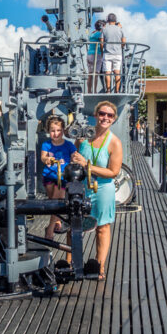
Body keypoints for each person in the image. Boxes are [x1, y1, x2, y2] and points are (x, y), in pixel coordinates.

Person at [71, 101, 123, 281]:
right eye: (102, 114)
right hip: (82, 187)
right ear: (95, 115)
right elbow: (76, 157)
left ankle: (99, 267)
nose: (105, 118)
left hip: (102, 189)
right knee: (76, 226)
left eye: (109, 115)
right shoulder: (83, 138)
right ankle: (72, 263)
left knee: (102, 228)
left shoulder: (114, 143)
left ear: (114, 119)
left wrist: (87, 165)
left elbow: (113, 172)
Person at [40, 116, 77, 240]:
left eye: (58, 130)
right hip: (49, 175)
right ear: (48, 131)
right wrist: (47, 159)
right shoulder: (46, 144)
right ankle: (57, 220)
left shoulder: (68, 145)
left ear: (63, 130)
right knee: (52, 201)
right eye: (52, 130)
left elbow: (75, 155)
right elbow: (43, 157)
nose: (56, 134)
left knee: (57, 199)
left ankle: (49, 229)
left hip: (63, 177)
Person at [100, 13, 126, 93]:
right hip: (117, 54)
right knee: (117, 72)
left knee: (107, 73)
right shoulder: (120, 29)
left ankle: (108, 90)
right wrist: (120, 48)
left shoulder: (104, 29)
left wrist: (102, 52)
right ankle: (117, 90)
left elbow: (101, 42)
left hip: (107, 54)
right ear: (115, 20)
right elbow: (124, 42)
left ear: (108, 20)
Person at [86, 20, 105, 93]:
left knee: (90, 74)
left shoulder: (92, 34)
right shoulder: (100, 34)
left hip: (89, 54)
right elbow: (102, 43)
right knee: (96, 74)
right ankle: (95, 90)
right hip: (97, 54)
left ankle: (89, 91)